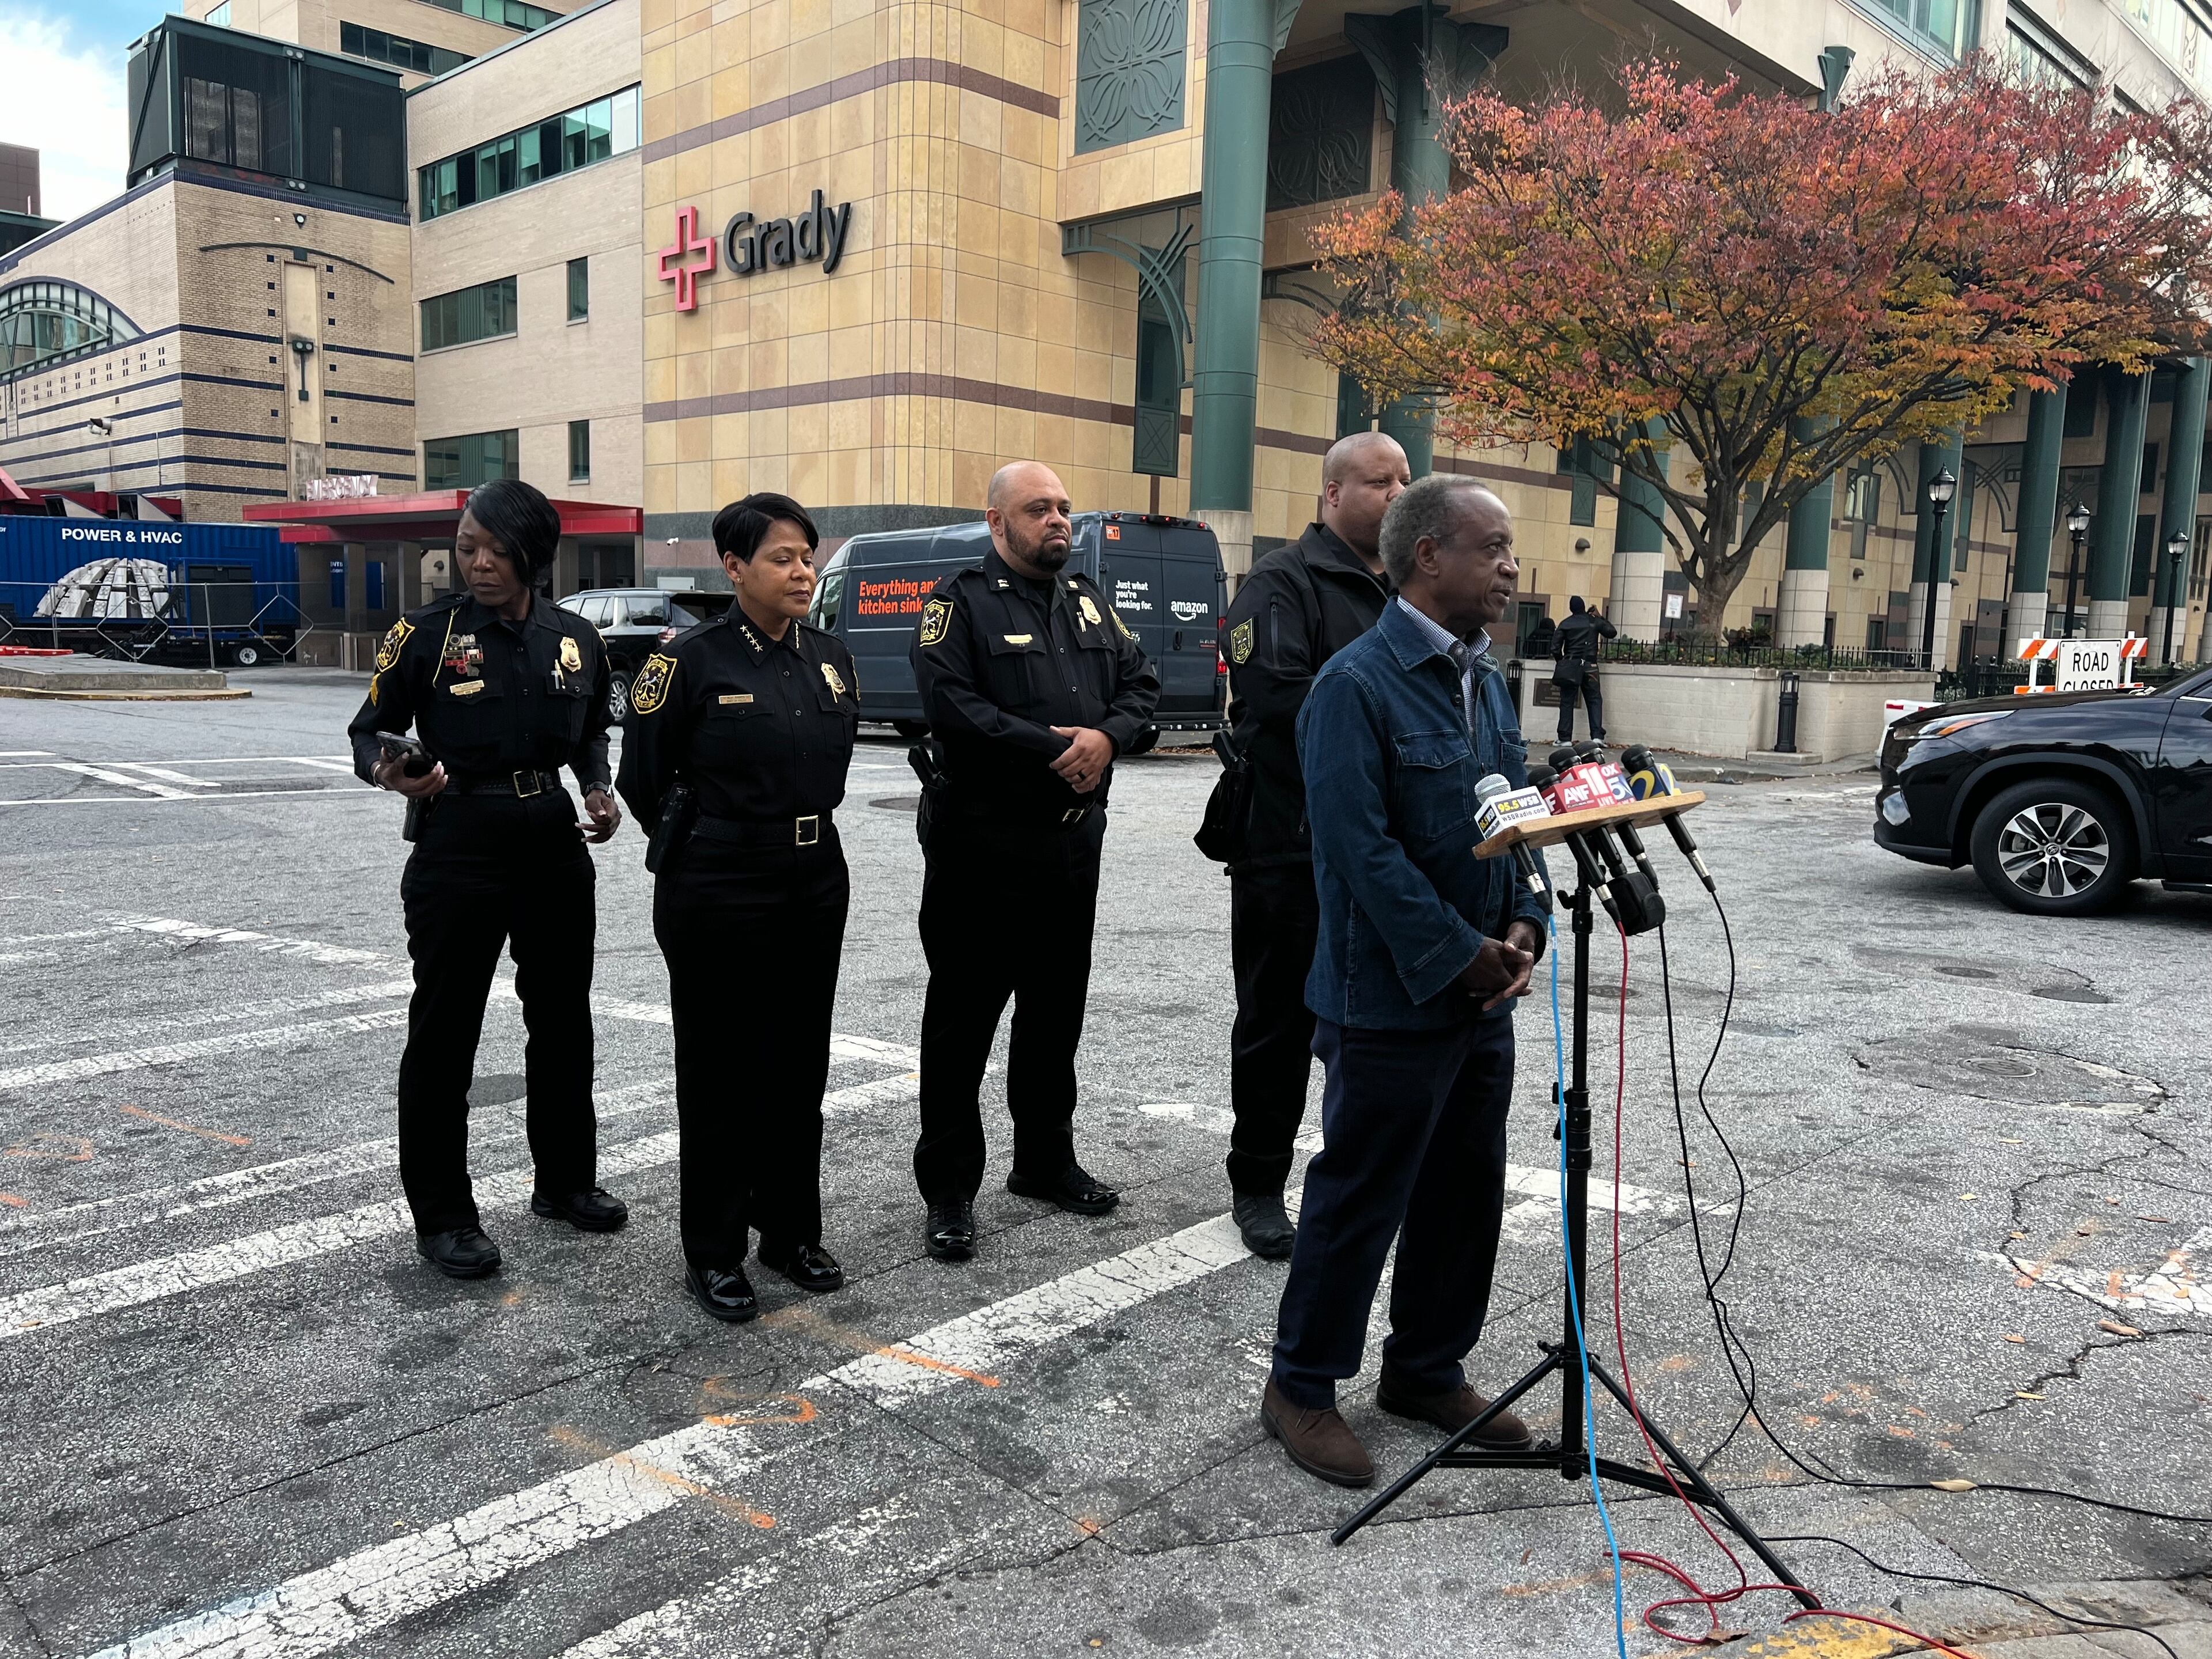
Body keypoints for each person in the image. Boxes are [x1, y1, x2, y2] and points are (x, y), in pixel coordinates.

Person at [1261, 474, 1551, 1489]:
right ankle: (1301, 1386)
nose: (1511, 567)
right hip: (1391, 998)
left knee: (1465, 1195)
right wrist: (1455, 953)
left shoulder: (1484, 680)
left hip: (1484, 990)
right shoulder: (1355, 686)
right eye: (1495, 547)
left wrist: (1524, 921)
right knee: (1360, 1198)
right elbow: (1357, 853)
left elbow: (1512, 815)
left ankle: (1425, 1371)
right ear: (1430, 555)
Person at [347, 478, 626, 1279]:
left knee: (564, 1022)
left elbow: (590, 734)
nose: (478, 563)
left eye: (495, 550)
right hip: (457, 843)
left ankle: (566, 1181)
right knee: (446, 1033)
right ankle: (444, 1215)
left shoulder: (575, 639)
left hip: (552, 842)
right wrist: (392, 769)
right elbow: (369, 730)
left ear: (534, 555)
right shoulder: (426, 634)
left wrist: (599, 791)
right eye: (467, 547)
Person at [616, 493, 859, 1323]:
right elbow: (641, 782)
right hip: (719, 883)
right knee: (722, 1076)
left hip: (813, 877)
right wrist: (713, 843)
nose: (802, 571)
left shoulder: (829, 657)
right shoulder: (687, 662)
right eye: (783, 558)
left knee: (799, 1068)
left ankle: (789, 1234)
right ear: (734, 568)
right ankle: (714, 1252)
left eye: (807, 556)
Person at [908, 461, 1160, 1262]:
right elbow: (953, 707)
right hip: (983, 845)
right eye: (1038, 509)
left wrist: (1108, 738)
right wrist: (1057, 748)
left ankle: (1044, 1163)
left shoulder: (1088, 600)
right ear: (997, 523)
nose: (1058, 520)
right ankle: (949, 1189)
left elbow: (1142, 681)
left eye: (1063, 508)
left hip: (1069, 843)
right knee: (962, 1023)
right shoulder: (959, 605)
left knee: (1055, 1015)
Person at [1217, 431, 1407, 1260]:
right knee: (1277, 1023)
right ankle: (1258, 1183)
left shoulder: (1406, 587)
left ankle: (1359, 1178)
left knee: (1371, 1026)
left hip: (1380, 845)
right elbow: (1275, 700)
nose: (1398, 493)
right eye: (1378, 481)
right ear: (1332, 494)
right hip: (1289, 846)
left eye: (1407, 479)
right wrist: (1393, 729)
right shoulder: (1281, 583)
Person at [1552, 594, 1616, 744]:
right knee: (1594, 700)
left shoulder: (1565, 624)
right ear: (1583, 607)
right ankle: (1597, 737)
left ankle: (1565, 738)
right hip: (1590, 666)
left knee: (1567, 701)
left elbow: (1555, 648)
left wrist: (1562, 661)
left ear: (1571, 609)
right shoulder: (1594, 622)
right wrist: (1600, 617)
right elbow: (1612, 632)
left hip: (1571, 666)